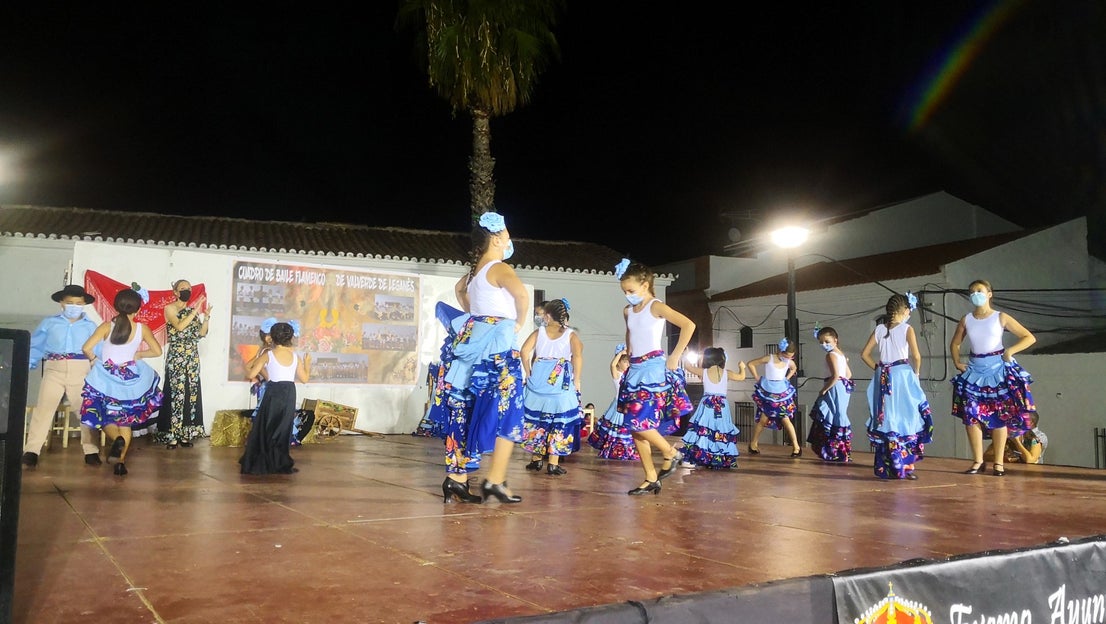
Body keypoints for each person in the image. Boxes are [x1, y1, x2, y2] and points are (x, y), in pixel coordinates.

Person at [433, 212, 528, 504]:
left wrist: (474, 311)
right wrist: (517, 323)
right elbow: (522, 295)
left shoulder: (475, 272)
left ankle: (457, 479)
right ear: (497, 238)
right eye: (507, 235)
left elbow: (460, 290)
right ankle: (495, 481)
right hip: (496, 344)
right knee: (509, 408)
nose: (510, 240)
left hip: (473, 339)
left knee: (467, 409)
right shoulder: (499, 268)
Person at [615, 259, 696, 496]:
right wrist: (628, 354)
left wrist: (675, 356)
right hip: (635, 370)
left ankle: (671, 452)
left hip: (653, 370)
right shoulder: (628, 310)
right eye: (624, 291)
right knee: (636, 429)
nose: (627, 295)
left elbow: (688, 325)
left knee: (636, 422)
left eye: (630, 290)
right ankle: (651, 477)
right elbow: (630, 333)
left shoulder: (656, 306)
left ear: (645, 284)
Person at [949, 279, 1037, 477]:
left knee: (1000, 416)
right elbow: (954, 344)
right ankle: (978, 460)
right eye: (972, 291)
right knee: (971, 416)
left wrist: (1010, 351)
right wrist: (957, 362)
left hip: (997, 369)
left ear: (989, 294)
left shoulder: (1001, 317)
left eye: (979, 290)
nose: (975, 294)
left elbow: (1028, 337)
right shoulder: (966, 319)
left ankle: (998, 463)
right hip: (974, 370)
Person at [79, 287, 164, 476]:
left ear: (115, 306)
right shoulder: (142, 328)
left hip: (106, 378)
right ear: (139, 309)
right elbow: (157, 351)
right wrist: (139, 354)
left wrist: (94, 359)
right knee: (125, 422)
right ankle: (120, 463)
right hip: (130, 378)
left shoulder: (106, 327)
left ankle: (116, 440)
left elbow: (86, 347)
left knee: (106, 418)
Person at [22, 285, 103, 468]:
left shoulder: (90, 326)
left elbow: (99, 350)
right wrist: (27, 364)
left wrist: (101, 372)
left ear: (84, 304)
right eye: (69, 303)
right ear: (61, 303)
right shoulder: (49, 323)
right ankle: (31, 451)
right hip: (53, 368)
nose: (74, 306)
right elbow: (36, 346)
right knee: (44, 409)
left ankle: (91, 451)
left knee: (85, 411)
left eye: (78, 303)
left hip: (80, 369)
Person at [860, 293, 934, 480]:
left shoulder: (879, 329)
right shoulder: (907, 328)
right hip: (902, 374)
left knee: (887, 419)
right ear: (906, 311)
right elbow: (916, 356)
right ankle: (905, 465)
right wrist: (916, 374)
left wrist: (879, 370)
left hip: (883, 375)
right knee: (907, 416)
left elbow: (864, 355)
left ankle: (887, 465)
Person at [520, 298, 584, 476]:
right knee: (560, 420)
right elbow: (578, 356)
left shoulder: (538, 333)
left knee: (537, 419)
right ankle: (553, 463)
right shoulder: (571, 335)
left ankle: (536, 460)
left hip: (539, 375)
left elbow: (524, 351)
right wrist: (576, 379)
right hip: (560, 380)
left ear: (547, 316)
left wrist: (529, 371)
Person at [240, 322, 310, 475]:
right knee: (283, 428)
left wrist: (260, 365)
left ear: (273, 337)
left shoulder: (269, 355)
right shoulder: (295, 356)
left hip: (273, 392)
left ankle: (266, 460)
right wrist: (308, 364)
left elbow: (251, 374)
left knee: (268, 426)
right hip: (289, 392)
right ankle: (280, 461)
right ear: (290, 338)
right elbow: (305, 379)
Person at [156, 279, 210, 449]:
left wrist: (206, 317)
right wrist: (195, 310)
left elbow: (201, 333)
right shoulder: (170, 309)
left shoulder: (190, 312)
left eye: (189, 288)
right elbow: (179, 327)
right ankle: (172, 434)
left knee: (190, 391)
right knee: (175, 393)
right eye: (183, 288)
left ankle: (186, 434)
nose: (187, 291)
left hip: (192, 356)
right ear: (175, 292)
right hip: (177, 355)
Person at [680, 347, 746, 469]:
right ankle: (720, 458)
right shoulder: (727, 373)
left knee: (705, 431)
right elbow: (741, 377)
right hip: (722, 405)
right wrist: (742, 367)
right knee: (721, 430)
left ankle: (705, 457)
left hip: (707, 404)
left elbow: (688, 367)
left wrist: (686, 353)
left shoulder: (704, 372)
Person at [746, 339, 801, 457]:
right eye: (787, 355)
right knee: (763, 419)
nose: (788, 358)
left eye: (791, 357)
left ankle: (796, 447)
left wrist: (787, 378)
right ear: (781, 351)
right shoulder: (769, 358)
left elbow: (794, 368)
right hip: (768, 390)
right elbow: (751, 363)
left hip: (781, 392)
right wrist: (757, 378)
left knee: (786, 419)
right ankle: (753, 444)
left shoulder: (788, 362)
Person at [806, 326, 854, 463]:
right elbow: (849, 374)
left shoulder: (831, 355)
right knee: (838, 416)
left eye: (826, 341)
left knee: (830, 415)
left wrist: (824, 390)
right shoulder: (842, 355)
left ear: (835, 340)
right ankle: (842, 451)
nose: (824, 345)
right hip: (844, 387)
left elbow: (835, 376)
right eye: (821, 342)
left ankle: (835, 451)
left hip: (834, 387)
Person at [587, 347, 639, 461]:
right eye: (625, 362)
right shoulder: (618, 375)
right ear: (619, 363)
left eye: (628, 362)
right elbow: (612, 365)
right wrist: (620, 353)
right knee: (617, 429)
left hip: (629, 405)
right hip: (619, 405)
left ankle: (627, 451)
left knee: (629, 429)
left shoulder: (630, 375)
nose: (627, 364)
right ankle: (614, 450)